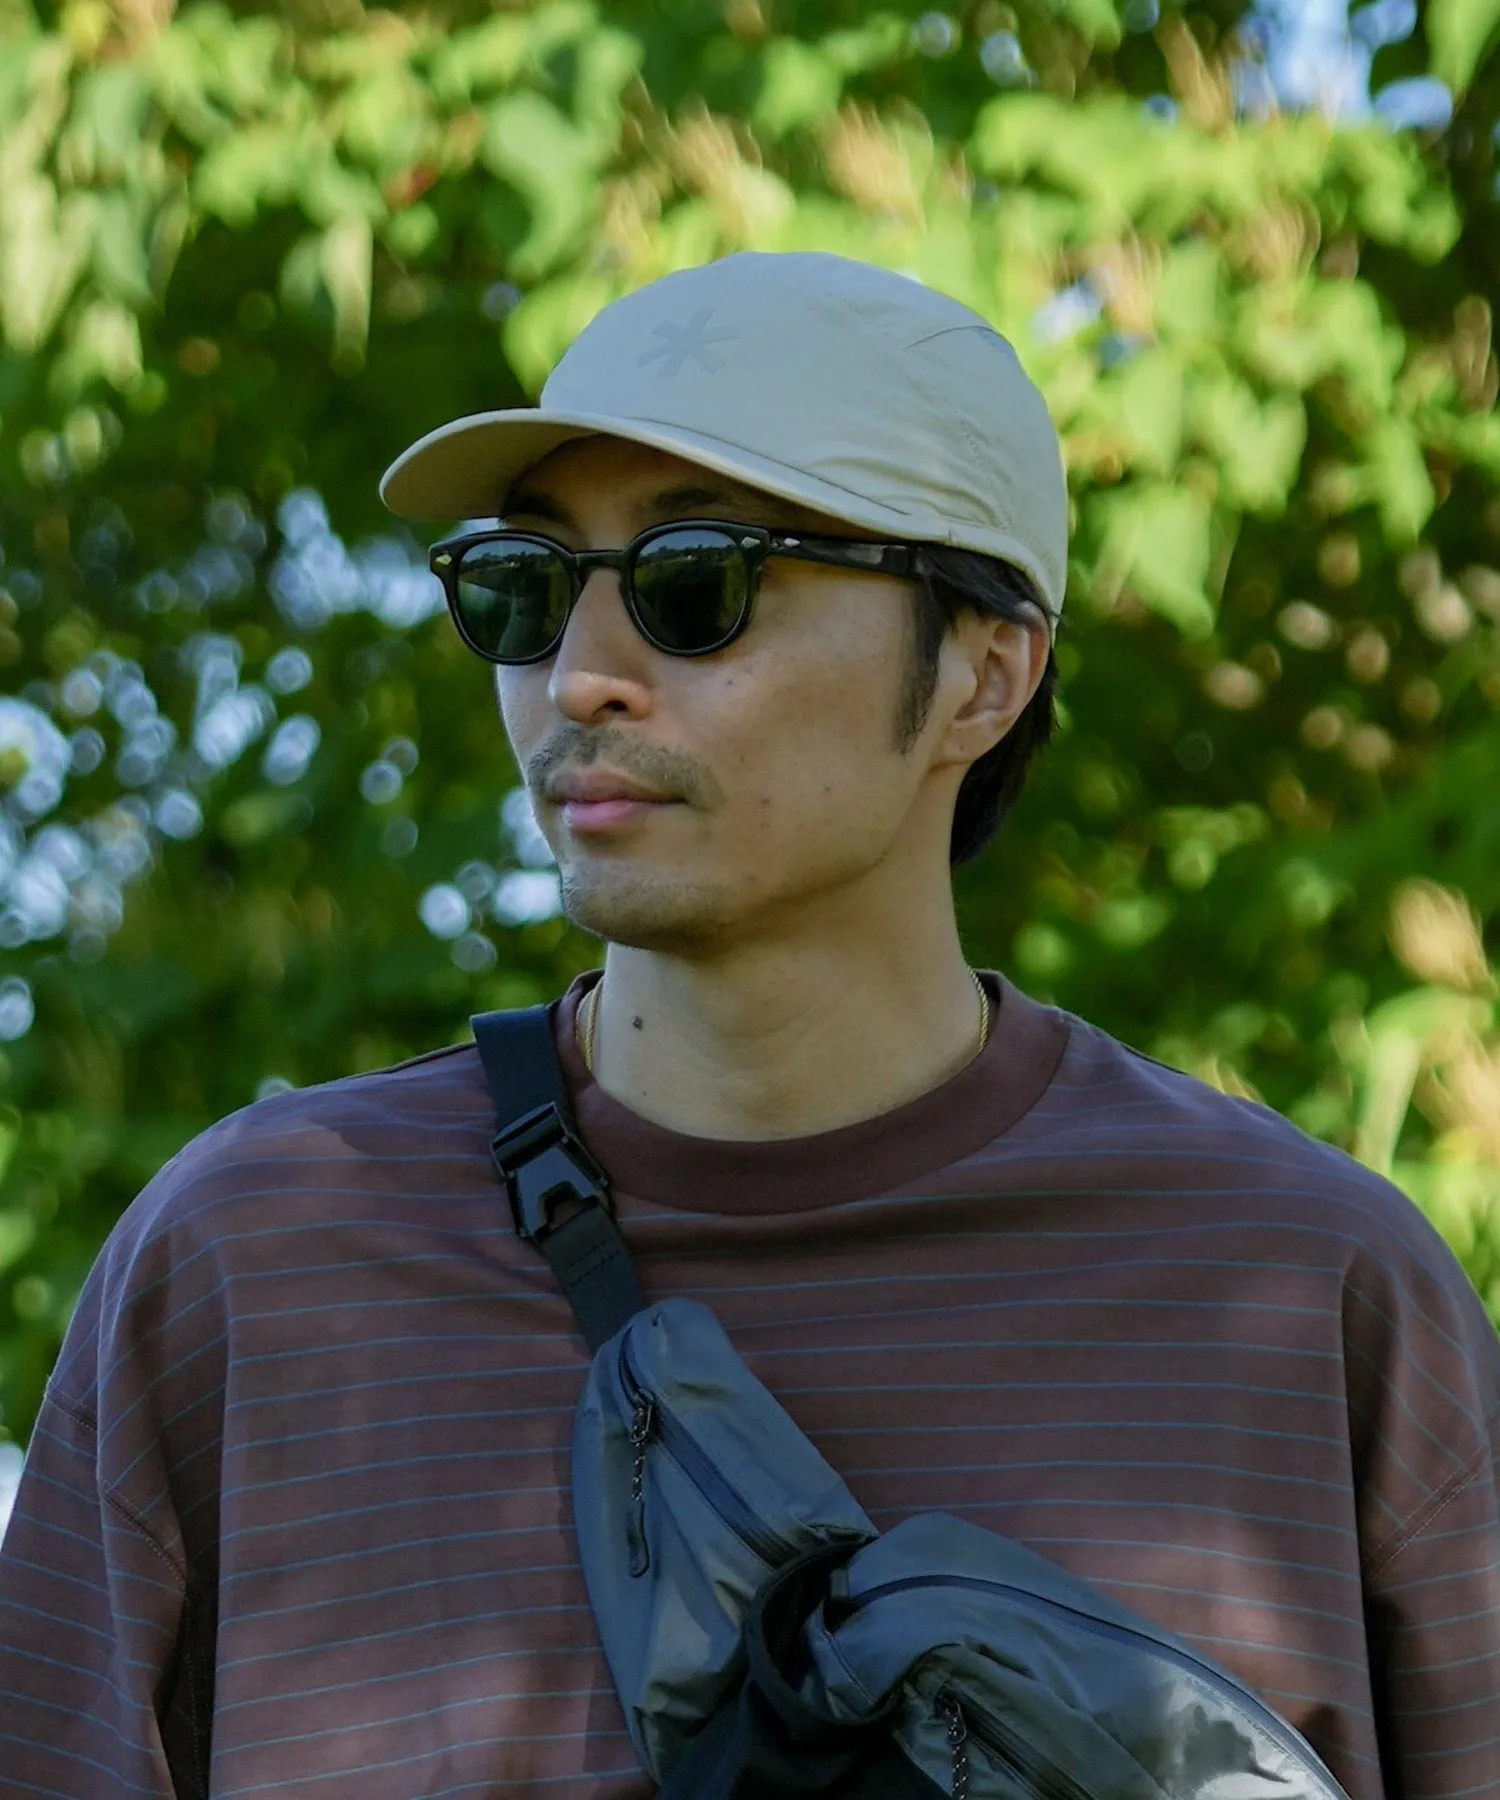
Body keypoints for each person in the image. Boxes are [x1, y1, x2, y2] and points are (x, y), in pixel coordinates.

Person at [1, 251, 1496, 1800]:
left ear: (985, 675)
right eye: (526, 586)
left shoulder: (1311, 1294)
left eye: (696, 581)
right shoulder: (255, 1269)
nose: (581, 677)